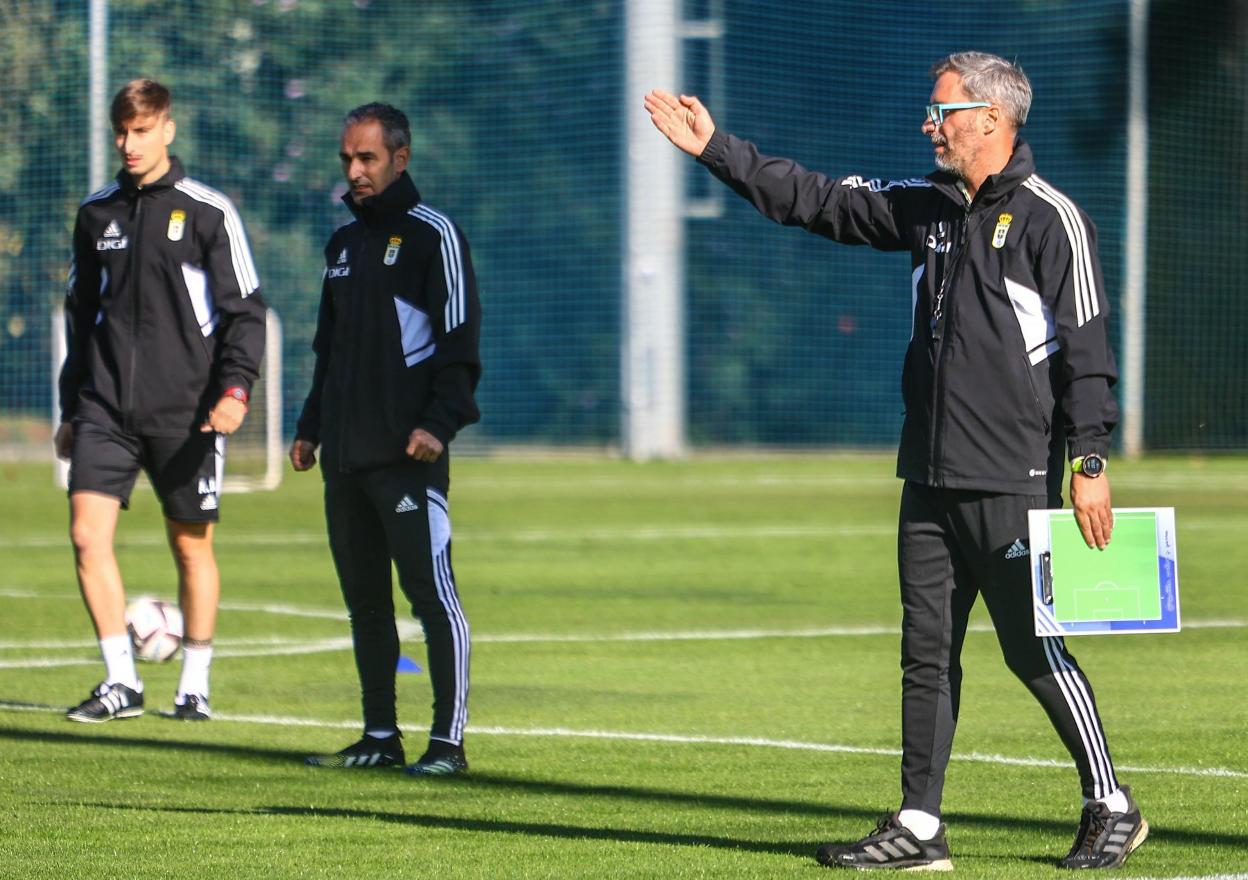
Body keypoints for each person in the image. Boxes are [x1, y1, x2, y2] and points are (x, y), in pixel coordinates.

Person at [646, 52, 1146, 870]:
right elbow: (815, 199)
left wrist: (1089, 461)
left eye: (942, 110)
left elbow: (1087, 353)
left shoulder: (1054, 219)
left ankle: (1113, 805)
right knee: (926, 653)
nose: (930, 123)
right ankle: (919, 827)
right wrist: (715, 150)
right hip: (929, 473)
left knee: (1033, 648)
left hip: (1013, 476)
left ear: (991, 117)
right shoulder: (927, 205)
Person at [57, 79, 267, 723]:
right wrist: (72, 408)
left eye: (142, 130)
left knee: (190, 547)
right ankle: (121, 682)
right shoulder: (97, 214)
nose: (129, 143)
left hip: (188, 411)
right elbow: (79, 314)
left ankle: (194, 684)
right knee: (87, 537)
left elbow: (246, 313)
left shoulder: (208, 212)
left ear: (167, 130)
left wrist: (235, 391)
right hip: (104, 411)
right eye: (121, 131)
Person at [292, 102, 482, 776]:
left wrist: (439, 423)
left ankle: (447, 746)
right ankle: (378, 737)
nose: (355, 170)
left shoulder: (436, 235)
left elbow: (460, 348)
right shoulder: (342, 245)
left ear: (401, 157)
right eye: (348, 158)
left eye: (367, 158)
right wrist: (310, 428)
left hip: (408, 458)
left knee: (432, 596)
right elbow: (328, 349)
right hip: (344, 460)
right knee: (365, 603)